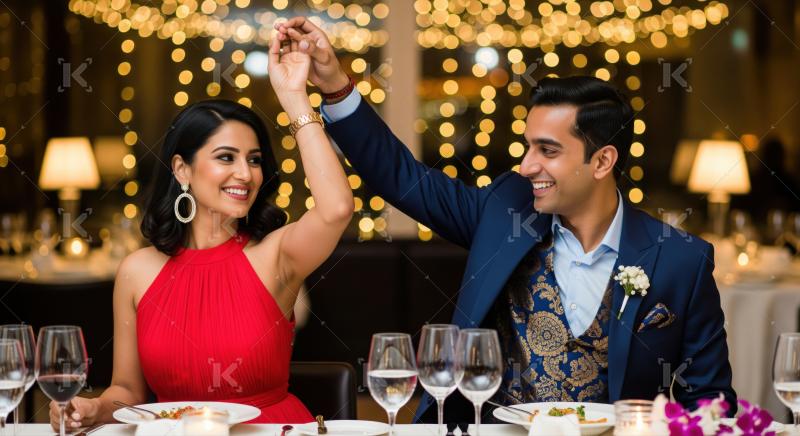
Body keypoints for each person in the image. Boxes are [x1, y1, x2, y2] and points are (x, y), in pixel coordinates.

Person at [275, 18, 737, 423]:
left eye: (547, 150)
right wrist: (334, 84)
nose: (526, 166)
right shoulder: (504, 210)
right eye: (528, 146)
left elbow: (710, 403)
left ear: (602, 161)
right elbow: (400, 177)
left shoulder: (680, 260)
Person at [49, 34, 354, 429]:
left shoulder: (275, 256)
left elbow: (336, 208)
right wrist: (93, 409)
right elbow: (127, 393)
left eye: (254, 160)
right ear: (182, 170)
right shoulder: (136, 271)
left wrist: (295, 98)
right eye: (226, 157)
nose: (245, 174)